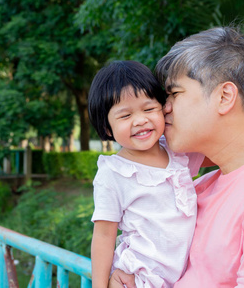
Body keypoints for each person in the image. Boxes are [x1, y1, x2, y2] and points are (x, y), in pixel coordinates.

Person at [108, 27, 244, 288]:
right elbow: (136, 159)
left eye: (174, 94)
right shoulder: (201, 185)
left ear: (225, 97)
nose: (163, 108)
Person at [88, 60, 205, 288]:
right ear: (106, 128)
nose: (140, 120)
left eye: (149, 109)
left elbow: (228, 148)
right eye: (125, 116)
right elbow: (103, 236)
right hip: (139, 278)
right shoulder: (113, 174)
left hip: (186, 278)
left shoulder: (177, 150)